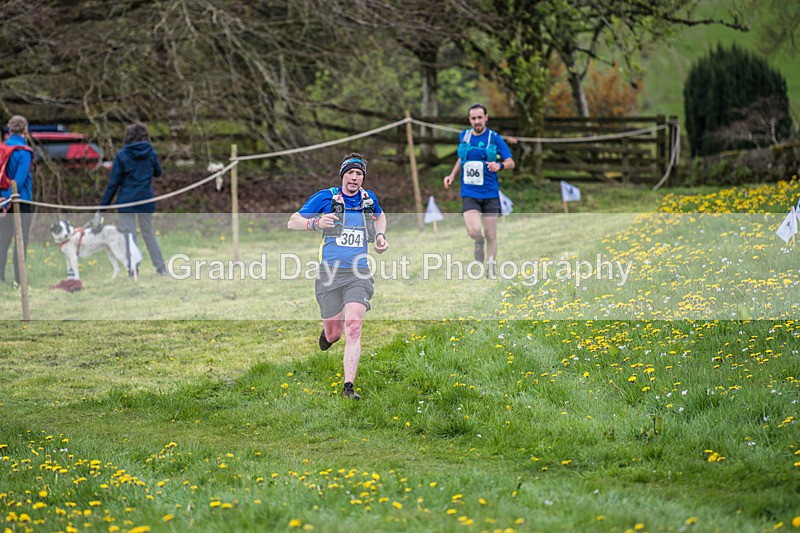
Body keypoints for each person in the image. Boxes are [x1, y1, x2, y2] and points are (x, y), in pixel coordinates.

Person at [288, 153, 389, 400]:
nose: (354, 178)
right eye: (350, 173)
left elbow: (380, 216)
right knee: (335, 334)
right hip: (329, 274)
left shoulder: (368, 199)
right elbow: (293, 222)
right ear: (343, 175)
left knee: (353, 326)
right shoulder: (326, 197)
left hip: (358, 273)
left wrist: (379, 236)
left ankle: (348, 388)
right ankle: (328, 335)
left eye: (359, 174)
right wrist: (316, 223)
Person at [443, 103, 514, 276]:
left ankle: (490, 268)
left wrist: (499, 165)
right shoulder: (464, 136)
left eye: (480, 117)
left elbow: (511, 162)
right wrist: (452, 175)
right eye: (473, 118)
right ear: (470, 120)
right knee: (474, 230)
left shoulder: (494, 138)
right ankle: (478, 242)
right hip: (470, 192)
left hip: (490, 193)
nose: (477, 121)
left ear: (486, 117)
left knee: (491, 233)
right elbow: (462, 159)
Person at [97, 123, 167, 276]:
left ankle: (133, 270)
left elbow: (113, 184)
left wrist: (102, 208)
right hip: (145, 199)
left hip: (127, 201)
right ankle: (161, 268)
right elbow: (158, 172)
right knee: (148, 234)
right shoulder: (151, 153)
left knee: (129, 236)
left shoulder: (122, 155)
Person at [0, 115, 35, 287]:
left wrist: (2, 202)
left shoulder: (1, 149)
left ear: (9, 130)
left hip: (1, 201)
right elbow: (18, 182)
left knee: (3, 240)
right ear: (26, 131)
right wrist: (7, 203)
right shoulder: (24, 152)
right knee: (20, 241)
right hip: (21, 202)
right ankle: (19, 280)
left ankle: (1, 279)